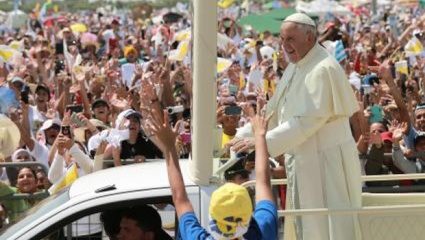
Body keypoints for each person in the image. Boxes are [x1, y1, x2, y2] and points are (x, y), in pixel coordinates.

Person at [229, 13, 362, 240]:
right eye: (282, 39)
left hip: (327, 163)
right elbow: (275, 110)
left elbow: (306, 122)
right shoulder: (296, 65)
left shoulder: (323, 69)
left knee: (328, 228)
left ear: (309, 38)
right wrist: (241, 135)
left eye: (290, 38)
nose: (285, 45)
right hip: (305, 160)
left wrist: (260, 142)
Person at [145, 104, 277, 239]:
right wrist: (260, 135)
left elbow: (180, 200)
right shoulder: (264, 229)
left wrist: (169, 146)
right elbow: (264, 182)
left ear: (212, 217)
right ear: (249, 214)